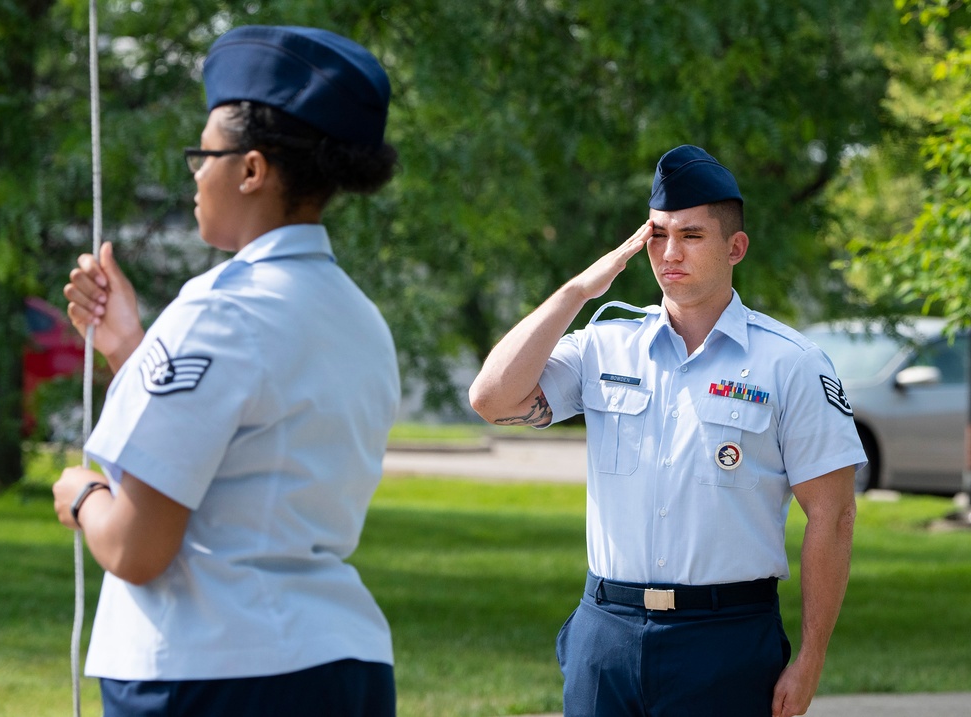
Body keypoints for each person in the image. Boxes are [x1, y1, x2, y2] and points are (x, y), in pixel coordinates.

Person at [52, 25, 400, 717]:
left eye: (202, 154)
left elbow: (137, 547)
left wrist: (83, 494)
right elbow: (245, 448)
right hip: (343, 666)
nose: (194, 173)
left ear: (250, 170)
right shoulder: (360, 317)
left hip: (212, 672)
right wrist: (131, 347)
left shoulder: (218, 311)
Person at [469, 145, 863, 717]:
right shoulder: (605, 345)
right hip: (607, 632)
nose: (669, 253)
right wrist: (578, 291)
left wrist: (810, 659)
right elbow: (491, 398)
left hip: (725, 639)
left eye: (692, 236)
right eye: (658, 234)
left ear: (736, 247)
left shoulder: (791, 364)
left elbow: (833, 515)